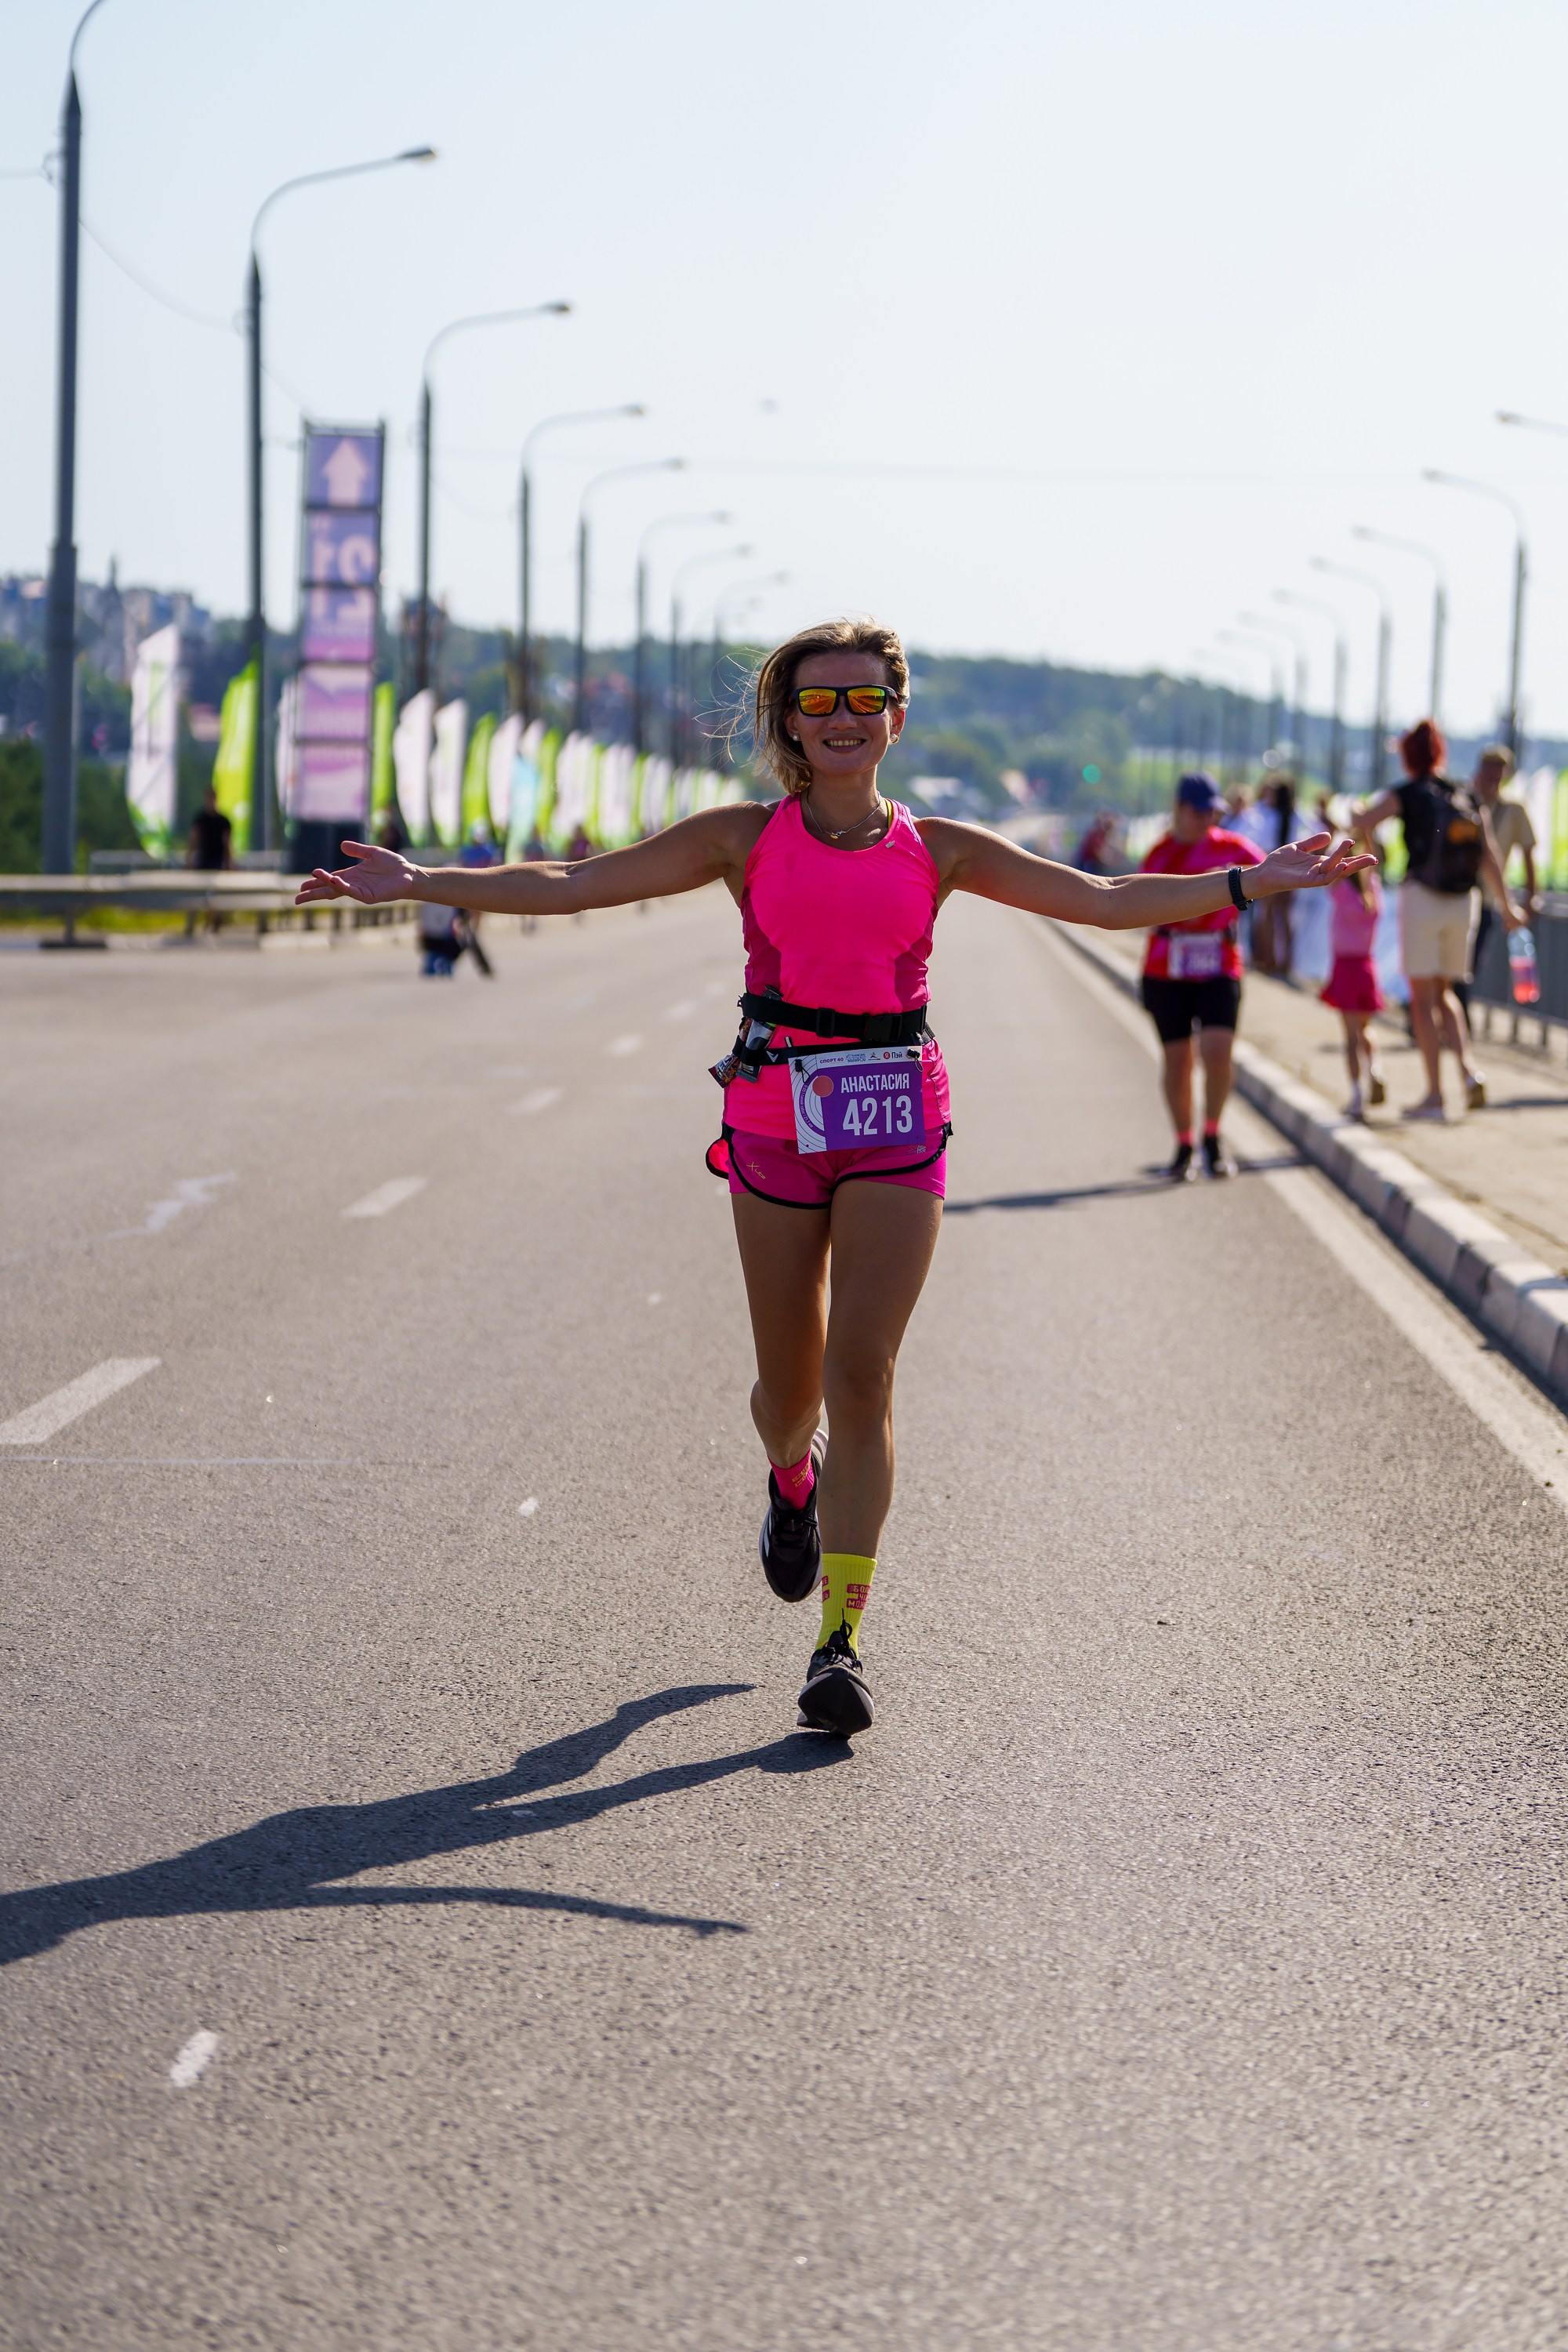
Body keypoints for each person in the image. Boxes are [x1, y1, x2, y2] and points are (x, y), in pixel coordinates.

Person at [296, 619, 1368, 1737]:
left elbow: (1100, 900)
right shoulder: (742, 838)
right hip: (773, 1108)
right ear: (788, 722)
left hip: (899, 1109)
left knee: (865, 1377)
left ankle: (841, 1640)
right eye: (819, 703)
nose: (844, 721)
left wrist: (1254, 884)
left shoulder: (941, 846)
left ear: (898, 716)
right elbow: (576, 878)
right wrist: (421, 880)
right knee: (791, 1392)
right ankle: (788, 1477)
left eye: (866, 701)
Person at [1354, 720, 1522, 1121]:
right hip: (1465, 902)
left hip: (1422, 898)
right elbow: (1490, 854)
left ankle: (1433, 1095)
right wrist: (1509, 906)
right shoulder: (1464, 793)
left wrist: (1365, 841)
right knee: (1447, 993)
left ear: (1408, 756)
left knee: (1422, 999)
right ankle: (1468, 1072)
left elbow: (1363, 822)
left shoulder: (1406, 793)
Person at [1137, 772, 1265, 1181]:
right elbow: (1130, 902)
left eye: (1213, 810)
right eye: (1199, 810)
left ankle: (1212, 1134)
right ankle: (1184, 1144)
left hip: (1219, 964)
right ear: (1179, 809)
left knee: (1217, 1051)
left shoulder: (1232, 848)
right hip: (1166, 970)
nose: (1207, 817)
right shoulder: (1159, 855)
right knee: (1178, 1061)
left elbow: (1269, 874)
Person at [1320, 826, 1386, 1117]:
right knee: (1365, 1029)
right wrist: (1367, 835)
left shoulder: (1340, 890)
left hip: (1345, 966)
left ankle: (1358, 1096)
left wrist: (1338, 840)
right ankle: (1374, 1070)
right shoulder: (1372, 891)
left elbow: (1326, 868)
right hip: (1367, 966)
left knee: (1349, 1037)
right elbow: (1373, 864)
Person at [1468, 745, 1539, 1006]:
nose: (1493, 774)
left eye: (1499, 769)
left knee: (1469, 965)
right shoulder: (1466, 800)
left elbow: (1529, 855)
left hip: (1488, 898)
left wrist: (1531, 899)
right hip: (1459, 893)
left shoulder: (1514, 809)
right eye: (1489, 767)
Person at [184, 782, 232, 937]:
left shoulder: (223, 821)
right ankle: (200, 921)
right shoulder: (201, 819)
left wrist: (229, 863)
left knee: (214, 894)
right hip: (203, 861)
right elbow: (193, 840)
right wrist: (189, 859)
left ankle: (212, 919)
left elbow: (227, 845)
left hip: (217, 862)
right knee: (199, 894)